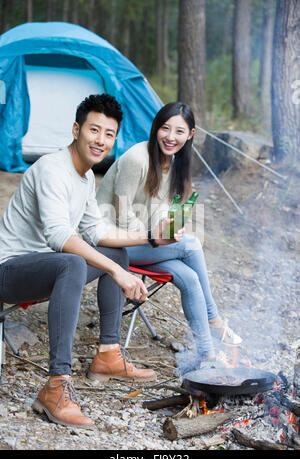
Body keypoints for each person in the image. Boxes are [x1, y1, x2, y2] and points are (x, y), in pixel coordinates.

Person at [0, 94, 183, 429]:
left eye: (109, 134)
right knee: (72, 262)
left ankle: (108, 354)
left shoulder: (85, 178)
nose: (101, 140)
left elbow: (96, 231)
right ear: (76, 129)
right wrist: (118, 273)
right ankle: (56, 384)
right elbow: (59, 237)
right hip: (9, 271)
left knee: (115, 252)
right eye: (94, 130)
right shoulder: (52, 169)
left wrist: (152, 237)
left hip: (46, 267)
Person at [96, 101, 242, 374]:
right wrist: (155, 238)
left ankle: (208, 355)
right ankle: (215, 320)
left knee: (190, 276)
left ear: (190, 135)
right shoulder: (136, 159)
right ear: (155, 129)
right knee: (191, 245)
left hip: (143, 244)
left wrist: (169, 229)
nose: (170, 137)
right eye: (165, 128)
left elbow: (159, 213)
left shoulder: (173, 163)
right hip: (111, 244)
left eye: (179, 131)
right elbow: (121, 217)